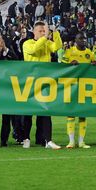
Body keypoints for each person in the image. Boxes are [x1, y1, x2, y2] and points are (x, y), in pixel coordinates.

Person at [22, 20, 63, 149]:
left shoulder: (46, 43)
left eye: (44, 30)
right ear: (34, 32)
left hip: (44, 82)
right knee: (28, 113)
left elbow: (57, 47)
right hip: (30, 82)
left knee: (45, 111)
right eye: (40, 31)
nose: (42, 33)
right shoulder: (27, 43)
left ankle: (47, 140)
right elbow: (34, 50)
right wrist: (45, 37)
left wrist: (55, 32)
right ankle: (26, 138)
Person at [60, 32, 96, 149]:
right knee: (71, 114)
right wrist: (70, 64)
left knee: (82, 114)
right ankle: (71, 141)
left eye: (84, 38)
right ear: (75, 40)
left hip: (84, 87)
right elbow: (61, 67)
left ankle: (81, 141)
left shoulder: (89, 53)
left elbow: (95, 66)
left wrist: (94, 64)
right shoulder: (70, 52)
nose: (83, 40)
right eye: (80, 38)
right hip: (71, 86)